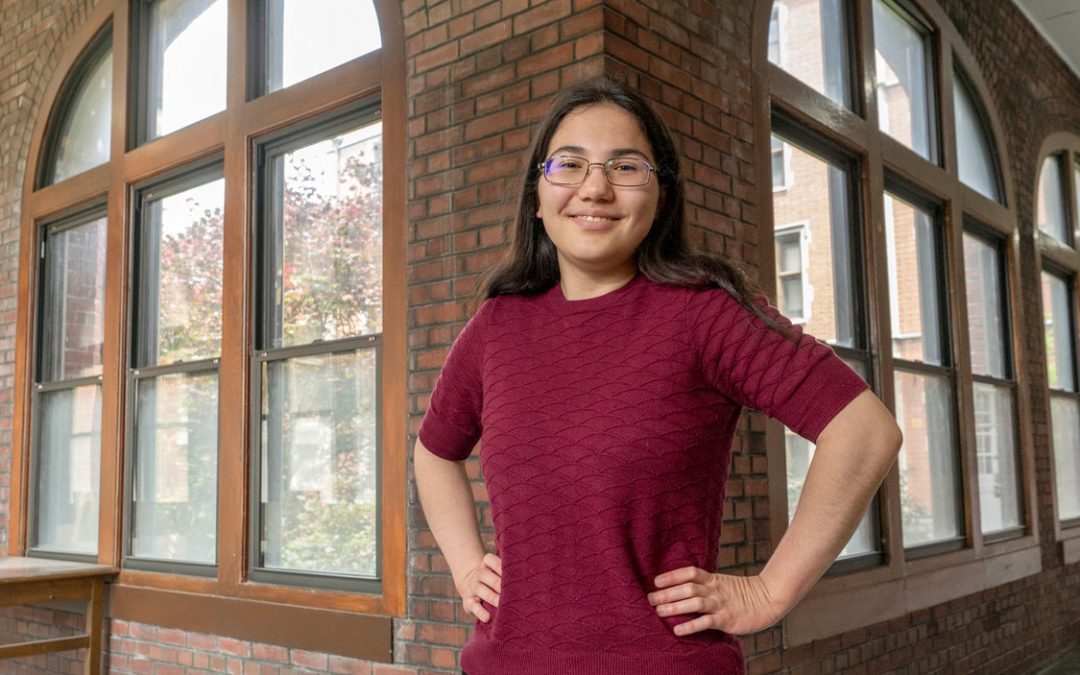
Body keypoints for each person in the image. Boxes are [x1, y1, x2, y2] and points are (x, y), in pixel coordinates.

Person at [413, 76, 902, 675]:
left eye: (625, 167)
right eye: (569, 164)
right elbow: (433, 452)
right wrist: (467, 565)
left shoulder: (703, 312)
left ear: (662, 196)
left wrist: (770, 590)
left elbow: (863, 431)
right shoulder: (498, 325)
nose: (595, 187)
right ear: (537, 197)